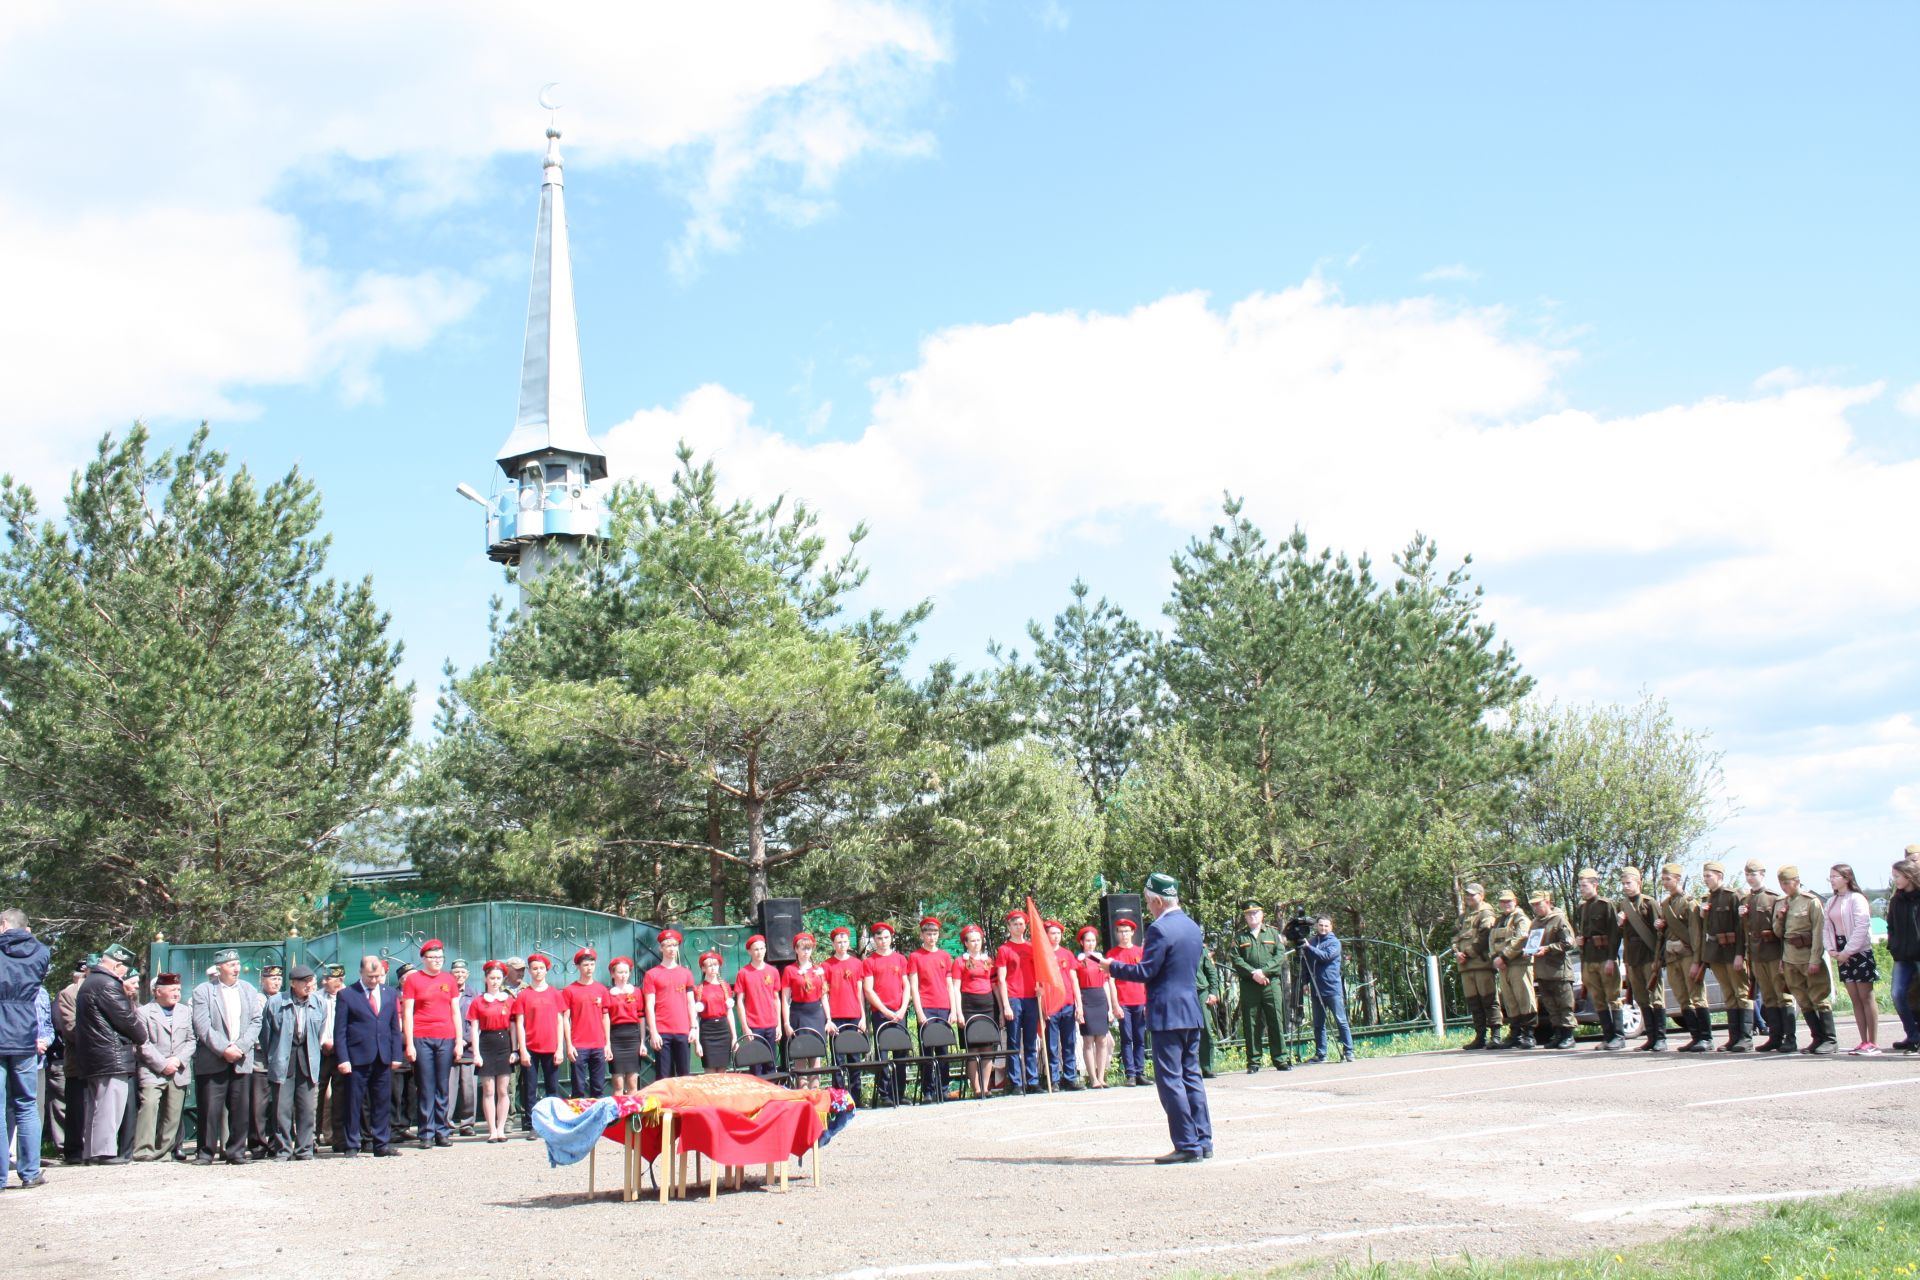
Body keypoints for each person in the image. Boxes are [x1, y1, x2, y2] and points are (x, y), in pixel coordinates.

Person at [1093, 873, 1212, 1164]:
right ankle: (1203, 1140)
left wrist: (1112, 966)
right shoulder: (1192, 927)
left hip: (1167, 1013)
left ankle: (1187, 1143)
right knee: (1192, 1077)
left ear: (1159, 900)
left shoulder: (1160, 929)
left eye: (1148, 902)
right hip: (1190, 1011)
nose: (1148, 907)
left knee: (1171, 1080)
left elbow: (1146, 972)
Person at [189, 948, 264, 1164]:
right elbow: (202, 1026)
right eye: (231, 965)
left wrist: (240, 1047)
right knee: (210, 1109)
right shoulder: (203, 991)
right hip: (213, 1060)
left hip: (241, 1059)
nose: (236, 968)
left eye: (238, 964)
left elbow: (256, 1021)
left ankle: (236, 1152)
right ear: (219, 967)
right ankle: (205, 1152)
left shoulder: (249, 990)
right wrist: (224, 1049)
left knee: (240, 1109)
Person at [74, 943, 145, 1164]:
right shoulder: (107, 984)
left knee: (96, 1105)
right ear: (117, 964)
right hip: (110, 1053)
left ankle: (91, 1151)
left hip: (95, 1054)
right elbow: (125, 1018)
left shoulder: (90, 982)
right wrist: (141, 1036)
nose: (125, 975)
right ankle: (103, 1152)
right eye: (125, 969)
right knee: (109, 1104)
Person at [0, 907, 51, 1190]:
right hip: (24, 1032)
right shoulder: (41, 952)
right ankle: (30, 1172)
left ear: (4, 924)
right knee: (27, 1103)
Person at [333, 954, 403, 1156]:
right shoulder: (347, 994)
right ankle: (352, 1144)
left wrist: (396, 1055)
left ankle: (381, 1144)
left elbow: (394, 1028)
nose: (374, 980)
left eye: (378, 976)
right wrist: (343, 1058)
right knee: (354, 1102)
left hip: (383, 1056)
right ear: (361, 972)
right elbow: (341, 1030)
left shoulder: (389, 993)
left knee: (382, 1101)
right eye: (370, 976)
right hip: (357, 1057)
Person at [261, 965, 326, 1160]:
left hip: (307, 1058)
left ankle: (305, 1149)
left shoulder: (318, 1002)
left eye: (310, 981)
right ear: (293, 984)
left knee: (307, 1108)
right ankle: (283, 1150)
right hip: (283, 1058)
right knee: (282, 1108)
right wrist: (272, 1057)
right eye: (303, 982)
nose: (308, 985)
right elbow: (266, 1034)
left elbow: (319, 1030)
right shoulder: (275, 1002)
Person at [401, 939, 461, 1149]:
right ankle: (425, 1132)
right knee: (426, 1086)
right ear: (423, 959)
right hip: (422, 1037)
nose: (437, 961)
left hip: (445, 1036)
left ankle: (441, 1131)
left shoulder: (449, 980)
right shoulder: (414, 980)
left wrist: (459, 1042)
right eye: (432, 957)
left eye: (440, 958)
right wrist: (409, 1042)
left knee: (442, 1086)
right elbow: (407, 1013)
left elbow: (455, 1011)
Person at [132, 972, 193, 1162]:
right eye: (172, 989)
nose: (177, 993)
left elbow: (192, 1040)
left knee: (173, 1113)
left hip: (178, 1069)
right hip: (152, 1070)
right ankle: (143, 1151)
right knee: (149, 1105)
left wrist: (178, 1061)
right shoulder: (143, 1012)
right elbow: (143, 1043)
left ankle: (163, 1152)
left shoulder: (185, 1011)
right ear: (158, 992)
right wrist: (162, 1063)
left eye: (179, 989)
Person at [1775, 865, 1835, 1054]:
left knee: (1820, 998)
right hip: (1790, 958)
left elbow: (1818, 932)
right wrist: (1779, 917)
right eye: (1781, 884)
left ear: (1797, 881)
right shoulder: (1782, 903)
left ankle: (1830, 1040)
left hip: (1808, 955)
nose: (1784, 887)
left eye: (1787, 883)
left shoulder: (1810, 901)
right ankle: (1817, 1038)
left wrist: (1815, 959)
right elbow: (1779, 933)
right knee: (1802, 999)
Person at [1699, 861, 1754, 1052]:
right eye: (1705, 876)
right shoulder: (1707, 899)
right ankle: (1734, 1038)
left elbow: (1741, 928)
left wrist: (1740, 954)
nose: (1706, 879)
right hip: (1717, 952)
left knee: (1741, 994)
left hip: (1732, 950)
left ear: (1720, 876)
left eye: (1709, 876)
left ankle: (1746, 1038)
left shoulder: (1733, 896)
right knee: (1729, 995)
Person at [1655, 864, 1710, 1053]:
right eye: (1663, 879)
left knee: (1697, 996)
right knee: (1682, 998)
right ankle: (1696, 1037)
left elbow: (1695, 934)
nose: (1665, 883)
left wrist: (1697, 961)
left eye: (1668, 879)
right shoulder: (1665, 904)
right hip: (1672, 956)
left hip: (1687, 955)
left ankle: (1706, 1038)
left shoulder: (1689, 903)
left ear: (1678, 879)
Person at [1825, 864, 1879, 1055]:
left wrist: (1848, 951)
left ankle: (1873, 1041)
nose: (1832, 880)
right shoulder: (1831, 901)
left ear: (1847, 878)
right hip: (1841, 950)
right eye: (1830, 877)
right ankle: (1863, 1040)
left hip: (1859, 951)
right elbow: (1827, 927)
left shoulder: (1857, 899)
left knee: (1866, 996)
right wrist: (1831, 949)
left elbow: (1862, 926)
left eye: (1836, 876)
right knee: (1854, 997)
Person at [1614, 868, 1667, 1053]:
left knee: (1656, 998)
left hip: (1649, 956)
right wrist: (1620, 924)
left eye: (1629, 883)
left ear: (1639, 883)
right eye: (1623, 884)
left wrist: (1658, 958)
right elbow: (1623, 935)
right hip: (1633, 958)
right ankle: (1651, 1038)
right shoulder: (1622, 905)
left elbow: (1660, 933)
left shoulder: (1649, 903)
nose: (1626, 887)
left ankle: (1661, 1038)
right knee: (1642, 998)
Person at [1230, 902, 1288, 1070]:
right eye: (1249, 914)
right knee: (1251, 1022)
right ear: (1245, 917)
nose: (1252, 916)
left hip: (1271, 983)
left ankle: (1280, 1059)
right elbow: (1235, 958)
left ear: (1262, 915)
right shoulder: (1240, 937)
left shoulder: (1273, 933)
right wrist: (1253, 974)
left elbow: (1279, 956)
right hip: (1250, 985)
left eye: (1256, 913)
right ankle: (1254, 1061)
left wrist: (1263, 972)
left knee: (1275, 1020)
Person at [1573, 868, 1626, 1051]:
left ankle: (1619, 1036)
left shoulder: (1606, 905)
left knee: (1613, 997)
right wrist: (1579, 943)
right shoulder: (1582, 907)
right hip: (1589, 958)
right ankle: (1608, 1036)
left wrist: (1612, 958)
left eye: (1585, 885)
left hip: (1604, 957)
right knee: (1598, 999)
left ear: (1595, 885)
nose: (1581, 888)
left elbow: (1614, 933)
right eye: (1580, 885)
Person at [907, 917, 958, 1102]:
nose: (931, 937)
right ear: (922, 935)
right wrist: (919, 1012)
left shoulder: (945, 956)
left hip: (943, 1007)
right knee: (927, 1051)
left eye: (935, 933)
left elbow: (949, 984)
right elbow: (914, 986)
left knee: (944, 1051)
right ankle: (927, 1090)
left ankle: (943, 1088)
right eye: (928, 934)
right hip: (926, 1007)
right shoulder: (915, 956)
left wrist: (952, 1009)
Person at [1742, 860, 1788, 1053]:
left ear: (1762, 874)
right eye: (1747, 874)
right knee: (1768, 997)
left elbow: (1782, 929)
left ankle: (1789, 1037)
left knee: (1782, 996)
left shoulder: (1774, 898)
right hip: (1757, 954)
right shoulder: (1746, 900)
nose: (1750, 878)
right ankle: (1775, 1037)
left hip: (1773, 952)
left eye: (1753, 874)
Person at [513, 953, 566, 1123]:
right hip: (531, 1047)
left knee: (552, 1087)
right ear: (529, 971)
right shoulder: (523, 995)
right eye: (534, 968)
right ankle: (531, 1122)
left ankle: (555, 1120)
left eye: (541, 968)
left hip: (551, 1047)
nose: (538, 971)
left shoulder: (555, 994)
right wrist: (522, 1050)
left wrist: (560, 1048)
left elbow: (560, 1022)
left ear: (546, 971)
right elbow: (519, 1023)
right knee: (529, 1087)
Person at [1449, 885, 1502, 1051]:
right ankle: (1480, 1036)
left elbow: (1485, 936)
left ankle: (1496, 1035)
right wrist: (1456, 952)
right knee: (1474, 1002)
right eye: (1466, 895)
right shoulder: (1463, 916)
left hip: (1481, 963)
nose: (1468, 897)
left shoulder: (1486, 913)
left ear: (1481, 895)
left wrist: (1469, 953)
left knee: (1489, 999)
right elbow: (1454, 935)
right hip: (1465, 966)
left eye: (1472, 895)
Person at [468, 962, 517, 1142]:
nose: (495, 982)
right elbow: (474, 1028)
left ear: (502, 979)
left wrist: (515, 1049)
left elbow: (513, 1027)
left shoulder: (508, 1000)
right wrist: (476, 1053)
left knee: (503, 1089)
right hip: (486, 1043)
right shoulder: (478, 1001)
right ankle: (492, 1130)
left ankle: (501, 1128)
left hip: (504, 1043)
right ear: (485, 979)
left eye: (498, 978)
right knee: (488, 1089)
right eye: (492, 978)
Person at [863, 923, 910, 1103]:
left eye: (886, 937)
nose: (883, 941)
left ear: (891, 938)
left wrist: (902, 1009)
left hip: (899, 1012)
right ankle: (884, 1093)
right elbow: (868, 989)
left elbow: (906, 986)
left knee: (901, 1053)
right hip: (881, 1013)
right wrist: (884, 1010)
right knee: (882, 1054)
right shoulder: (870, 961)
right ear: (874, 940)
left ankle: (899, 1091)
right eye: (879, 938)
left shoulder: (900, 959)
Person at [995, 911, 1040, 1093]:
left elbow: (1040, 972)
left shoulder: (1032, 947)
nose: (1018, 927)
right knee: (1013, 1042)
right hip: (1014, 998)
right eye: (1015, 924)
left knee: (1030, 1042)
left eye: (1021, 924)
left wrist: (1040, 989)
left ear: (1025, 926)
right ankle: (1016, 1082)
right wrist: (1005, 1005)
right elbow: (1001, 979)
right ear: (1009, 927)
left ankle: (1033, 1080)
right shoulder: (1004, 949)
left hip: (1031, 998)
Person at [1528, 890, 1577, 1050]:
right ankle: (1558, 1034)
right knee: (1551, 1005)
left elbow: (1569, 943)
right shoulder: (1535, 923)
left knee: (1565, 1004)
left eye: (1538, 904)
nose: (1536, 908)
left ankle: (1568, 1035)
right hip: (1542, 971)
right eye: (1534, 905)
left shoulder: (1558, 919)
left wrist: (1548, 948)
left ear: (1547, 902)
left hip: (1559, 971)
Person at [1301, 917, 1354, 1064]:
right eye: (1320, 925)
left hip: (1332, 988)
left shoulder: (1334, 942)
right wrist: (1305, 982)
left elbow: (1324, 957)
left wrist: (1309, 948)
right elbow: (1306, 963)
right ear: (1317, 926)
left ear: (1331, 927)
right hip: (1316, 989)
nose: (1323, 928)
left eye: (1326, 925)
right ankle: (1321, 1054)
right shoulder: (1312, 941)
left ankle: (1349, 1051)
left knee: (1341, 1020)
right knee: (1318, 1024)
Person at [1488, 889, 1536, 1050]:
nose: (1505, 904)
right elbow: (1491, 940)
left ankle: (1529, 1035)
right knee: (1510, 1001)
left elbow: (1521, 939)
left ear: (1515, 901)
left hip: (1519, 964)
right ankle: (1515, 1034)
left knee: (1525, 999)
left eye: (1508, 901)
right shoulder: (1499, 920)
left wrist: (1504, 957)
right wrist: (1495, 957)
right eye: (1502, 901)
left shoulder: (1521, 918)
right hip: (1503, 965)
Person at [644, 931, 696, 1080]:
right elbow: (649, 1005)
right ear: (661, 948)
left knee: (684, 1075)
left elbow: (691, 1002)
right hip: (662, 1031)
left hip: (682, 1030)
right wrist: (653, 1032)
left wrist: (693, 1027)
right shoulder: (652, 974)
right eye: (667, 946)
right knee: (663, 1076)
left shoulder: (686, 973)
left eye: (674, 945)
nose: (671, 949)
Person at [954, 924, 998, 1097]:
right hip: (969, 1005)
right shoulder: (960, 962)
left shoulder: (988, 961)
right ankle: (976, 1088)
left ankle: (986, 1087)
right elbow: (955, 988)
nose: (975, 943)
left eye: (978, 940)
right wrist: (958, 1012)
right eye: (972, 940)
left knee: (988, 1048)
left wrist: (1000, 1008)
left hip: (987, 1005)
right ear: (965, 943)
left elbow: (995, 985)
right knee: (972, 1050)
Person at [1073, 926, 1120, 1087]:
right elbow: (1075, 985)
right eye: (1087, 941)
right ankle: (1092, 1078)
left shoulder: (1102, 960)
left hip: (1100, 998)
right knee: (1088, 1040)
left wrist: (1109, 1007)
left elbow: (1107, 984)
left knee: (1102, 1039)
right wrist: (1078, 1006)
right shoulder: (1078, 961)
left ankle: (1101, 1077)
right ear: (1082, 942)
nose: (1091, 944)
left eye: (1093, 940)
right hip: (1086, 998)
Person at [561, 948, 610, 1099]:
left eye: (592, 964)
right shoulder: (570, 990)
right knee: (578, 1088)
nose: (589, 968)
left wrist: (607, 1043)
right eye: (585, 965)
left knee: (598, 1087)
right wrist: (569, 1044)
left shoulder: (601, 989)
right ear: (578, 967)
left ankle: (599, 1120)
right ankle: (578, 1120)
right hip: (579, 1045)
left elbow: (605, 1017)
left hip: (598, 1045)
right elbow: (565, 1019)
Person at [733, 935, 784, 1079]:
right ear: (749, 951)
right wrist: (745, 1027)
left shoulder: (773, 971)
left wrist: (779, 1025)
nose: (759, 952)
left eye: (762, 948)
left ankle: (772, 1098)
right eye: (755, 949)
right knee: (756, 1066)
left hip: (771, 1025)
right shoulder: (743, 973)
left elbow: (776, 999)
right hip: (754, 1026)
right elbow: (740, 1001)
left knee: (771, 1064)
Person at [822, 927, 867, 1088]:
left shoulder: (857, 963)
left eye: (845, 942)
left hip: (854, 1015)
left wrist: (863, 1017)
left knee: (855, 1059)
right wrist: (828, 1019)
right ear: (833, 944)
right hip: (836, 1017)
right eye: (839, 942)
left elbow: (860, 991)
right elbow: (824, 995)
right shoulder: (826, 966)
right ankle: (839, 1097)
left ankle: (856, 1095)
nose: (842, 945)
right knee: (838, 1059)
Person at [246, 965, 283, 1157]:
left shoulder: (284, 999)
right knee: (258, 1106)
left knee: (279, 1105)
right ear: (263, 980)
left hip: (280, 1058)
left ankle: (276, 1143)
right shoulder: (257, 1000)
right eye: (272, 978)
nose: (276, 982)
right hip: (260, 1059)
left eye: (279, 979)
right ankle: (258, 1145)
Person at [780, 931, 827, 1080]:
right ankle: (803, 1095)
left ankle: (815, 1095)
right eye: (803, 948)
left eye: (809, 948)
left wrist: (829, 1019)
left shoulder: (818, 970)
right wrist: (786, 1023)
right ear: (796, 949)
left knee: (816, 1056)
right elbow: (785, 999)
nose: (806, 952)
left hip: (816, 1014)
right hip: (798, 1013)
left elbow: (824, 996)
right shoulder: (790, 970)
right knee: (800, 1056)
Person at [1041, 920, 1081, 1091]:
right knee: (1051, 1045)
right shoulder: (1042, 955)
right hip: (1051, 1005)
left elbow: (1074, 979)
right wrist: (1043, 1006)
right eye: (1052, 933)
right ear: (1046, 935)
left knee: (1069, 1042)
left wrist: (1079, 1004)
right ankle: (1054, 1078)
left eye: (1058, 933)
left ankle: (1070, 1077)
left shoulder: (1067, 954)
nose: (1056, 937)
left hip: (1067, 1003)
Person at [56, 957, 89, 1165]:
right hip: (77, 1061)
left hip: (99, 1060)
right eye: (84, 975)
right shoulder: (68, 994)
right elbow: (69, 1029)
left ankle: (94, 1148)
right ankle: (74, 1151)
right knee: (76, 1108)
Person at [1886, 855, 1920, 1054]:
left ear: (1909, 875)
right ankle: (1913, 1035)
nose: (1895, 879)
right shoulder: (1896, 900)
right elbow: (1891, 926)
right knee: (1898, 994)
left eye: (1897, 875)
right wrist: (1894, 946)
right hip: (1903, 956)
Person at [1109, 918, 1149, 1085]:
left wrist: (1148, 1002)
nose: (1124, 934)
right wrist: (1115, 1004)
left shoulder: (1141, 952)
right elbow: (1110, 981)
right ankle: (1130, 1074)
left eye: (1127, 931)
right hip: (1123, 1001)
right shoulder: (1112, 955)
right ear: (1117, 934)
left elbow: (1147, 977)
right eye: (1121, 931)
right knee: (1127, 1038)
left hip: (1140, 1000)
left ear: (1133, 932)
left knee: (1140, 1038)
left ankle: (1140, 1072)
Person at [605, 957, 645, 1093]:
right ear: (612, 974)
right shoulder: (607, 993)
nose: (623, 976)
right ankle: (619, 1114)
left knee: (633, 1083)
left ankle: (634, 1115)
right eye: (620, 972)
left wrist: (642, 1042)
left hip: (633, 1037)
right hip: (615, 1036)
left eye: (626, 972)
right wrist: (607, 1044)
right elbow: (605, 1018)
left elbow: (641, 1016)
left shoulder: (637, 992)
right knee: (618, 1084)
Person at [318, 963, 347, 1151]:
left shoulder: (351, 996)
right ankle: (312, 1137)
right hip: (321, 1053)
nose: (324, 981)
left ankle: (339, 1138)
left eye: (328, 978)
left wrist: (339, 1044)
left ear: (340, 980)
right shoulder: (317, 997)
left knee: (340, 1097)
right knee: (315, 1096)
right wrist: (323, 1041)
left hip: (341, 1053)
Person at [448, 959, 478, 1136]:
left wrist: (465, 1040)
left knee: (469, 1088)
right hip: (448, 1046)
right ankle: (447, 1123)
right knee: (449, 1088)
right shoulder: (444, 992)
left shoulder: (473, 994)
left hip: (468, 1048)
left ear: (467, 975)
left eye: (462, 972)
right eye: (456, 972)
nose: (459, 975)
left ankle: (467, 1124)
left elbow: (476, 1021)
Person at [692, 952, 736, 1074]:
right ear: (703, 968)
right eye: (709, 965)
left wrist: (734, 1037)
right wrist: (697, 1042)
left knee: (722, 1070)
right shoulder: (698, 989)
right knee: (710, 1070)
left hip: (723, 1030)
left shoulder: (725, 987)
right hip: (707, 1030)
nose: (713, 968)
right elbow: (695, 1018)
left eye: (715, 965)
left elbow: (730, 1013)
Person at [1196, 943, 1221, 1079]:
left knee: (1205, 1028)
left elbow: (1211, 972)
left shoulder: (1200, 948)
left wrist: (1212, 993)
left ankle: (1207, 1067)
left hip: (1200, 992)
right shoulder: (1171, 945)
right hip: (1179, 992)